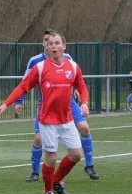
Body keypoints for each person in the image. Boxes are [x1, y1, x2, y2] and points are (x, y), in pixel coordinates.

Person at [0, 32, 89, 194]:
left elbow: (81, 87)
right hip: (47, 121)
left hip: (66, 119)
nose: (53, 46)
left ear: (64, 46)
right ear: (47, 47)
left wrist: (84, 103)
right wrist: (6, 103)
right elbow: (23, 87)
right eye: (50, 43)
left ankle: (56, 181)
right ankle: (48, 191)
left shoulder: (73, 67)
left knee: (76, 154)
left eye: (57, 43)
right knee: (51, 158)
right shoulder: (40, 68)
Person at [15, 29, 99, 182]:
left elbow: (73, 77)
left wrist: (78, 93)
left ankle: (89, 165)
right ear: (43, 43)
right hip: (47, 105)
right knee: (39, 139)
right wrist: (19, 101)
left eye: (53, 41)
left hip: (68, 103)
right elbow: (24, 83)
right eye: (47, 41)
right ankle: (35, 172)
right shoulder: (36, 61)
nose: (50, 44)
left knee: (85, 128)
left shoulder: (66, 58)